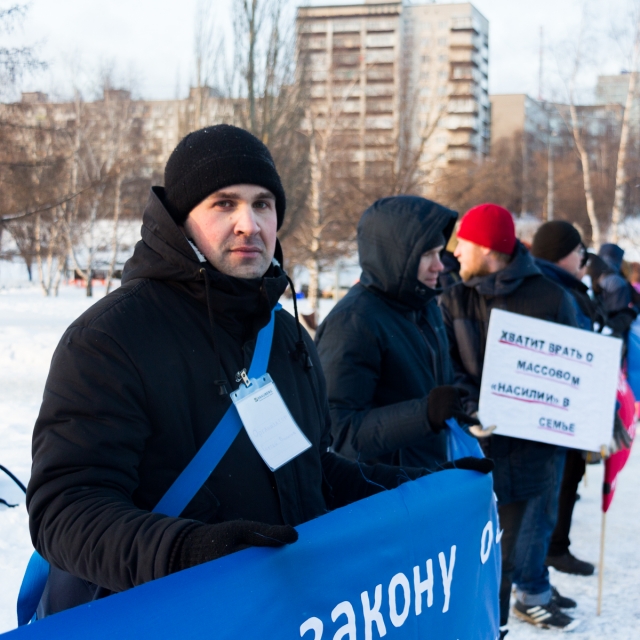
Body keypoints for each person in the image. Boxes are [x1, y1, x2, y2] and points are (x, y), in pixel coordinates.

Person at [26, 125, 491, 618]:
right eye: (223, 203)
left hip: (286, 613)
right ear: (180, 221)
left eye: (263, 204)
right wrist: (190, 553)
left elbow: (307, 467)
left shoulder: (287, 338)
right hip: (173, 618)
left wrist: (420, 490)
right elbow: (66, 510)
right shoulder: (110, 339)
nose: (249, 223)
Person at [439, 204, 579, 635]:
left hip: (537, 446)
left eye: (465, 242)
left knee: (528, 536)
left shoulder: (552, 296)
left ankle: (527, 598)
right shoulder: (453, 295)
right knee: (484, 549)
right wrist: (470, 407)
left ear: (488, 248)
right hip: (478, 446)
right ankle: (490, 626)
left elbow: (575, 367)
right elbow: (447, 366)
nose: (457, 251)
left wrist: (588, 418)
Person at [315, 196, 481, 469]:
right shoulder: (352, 323)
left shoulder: (424, 306)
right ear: (397, 255)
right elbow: (339, 434)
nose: (439, 266)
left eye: (439, 253)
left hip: (426, 477)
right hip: (385, 495)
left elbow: (434, 391)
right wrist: (425, 415)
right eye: (427, 254)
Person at [524, 221, 595, 580]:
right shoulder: (552, 289)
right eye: (579, 251)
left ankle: (544, 565)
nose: (584, 259)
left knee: (560, 486)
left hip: (563, 409)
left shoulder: (562, 286)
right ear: (560, 252)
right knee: (550, 492)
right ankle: (540, 569)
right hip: (552, 412)